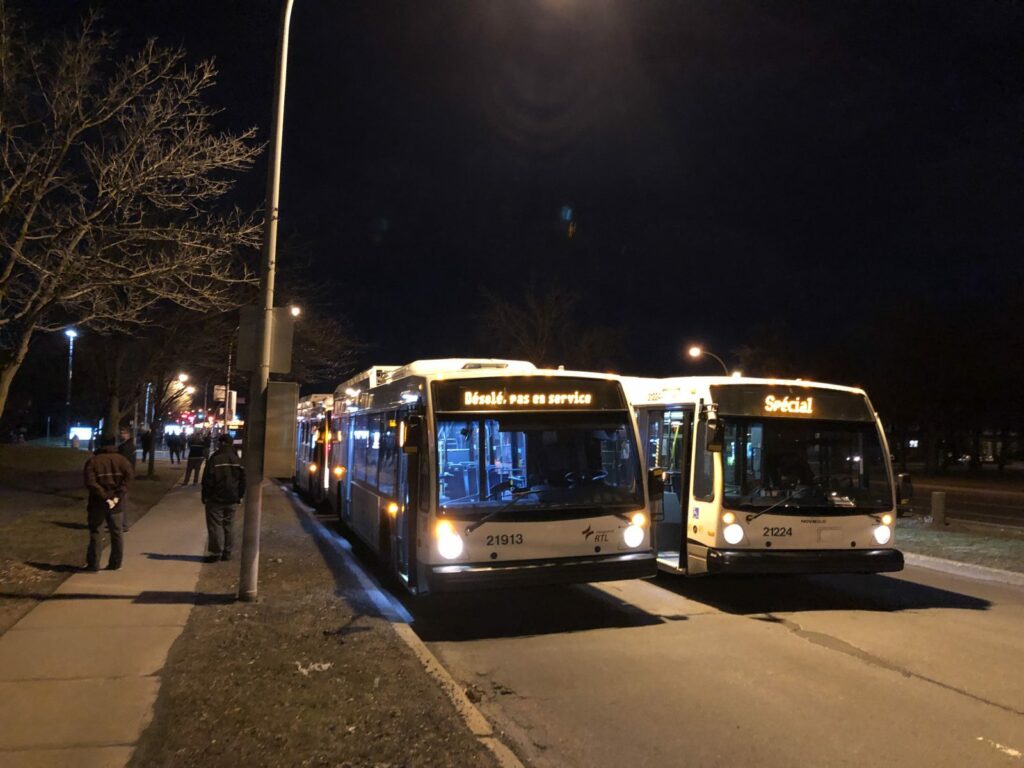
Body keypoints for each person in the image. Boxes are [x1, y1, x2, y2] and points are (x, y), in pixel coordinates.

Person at [83, 435, 133, 571]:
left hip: (97, 502)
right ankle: (115, 563)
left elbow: (90, 482)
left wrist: (105, 496)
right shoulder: (122, 461)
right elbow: (127, 480)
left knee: (96, 532)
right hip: (116, 503)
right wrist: (116, 496)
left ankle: (93, 564)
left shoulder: (93, 461)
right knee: (116, 533)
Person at [201, 433, 245, 562]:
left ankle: (216, 553)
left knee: (215, 525)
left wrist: (205, 496)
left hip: (215, 498)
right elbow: (243, 480)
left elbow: (207, 480)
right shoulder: (238, 460)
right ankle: (227, 552)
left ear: (221, 443)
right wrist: (240, 495)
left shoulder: (215, 459)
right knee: (229, 525)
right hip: (232, 498)